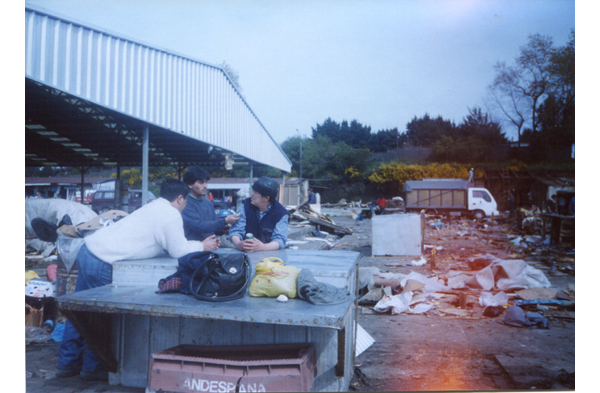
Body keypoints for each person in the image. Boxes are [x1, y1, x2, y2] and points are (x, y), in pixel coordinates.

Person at [56, 179, 219, 381]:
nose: (185, 206)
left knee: (78, 313)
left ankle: (67, 364)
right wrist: (202, 246)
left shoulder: (154, 206)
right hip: (102, 261)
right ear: (179, 198)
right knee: (101, 318)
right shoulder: (170, 215)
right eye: (185, 201)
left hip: (88, 250)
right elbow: (178, 250)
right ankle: (92, 369)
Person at [229, 176, 289, 252]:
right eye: (253, 191)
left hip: (270, 255)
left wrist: (263, 247)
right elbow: (236, 231)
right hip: (246, 254)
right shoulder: (245, 206)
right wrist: (239, 244)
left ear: (267, 198)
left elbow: (280, 240)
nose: (251, 194)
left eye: (256, 193)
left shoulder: (281, 213)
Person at [181, 166, 240, 242]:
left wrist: (222, 230)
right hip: (191, 249)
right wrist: (225, 221)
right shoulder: (185, 203)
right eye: (201, 182)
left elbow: (213, 226)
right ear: (190, 184)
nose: (205, 185)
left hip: (209, 248)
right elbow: (199, 226)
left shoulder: (208, 203)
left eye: (206, 182)